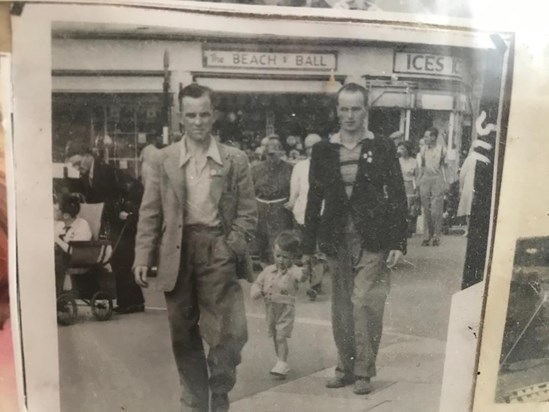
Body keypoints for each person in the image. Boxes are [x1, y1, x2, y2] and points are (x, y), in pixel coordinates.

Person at [133, 83, 257, 412]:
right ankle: (194, 402)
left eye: (204, 114)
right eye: (191, 115)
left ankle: (220, 387)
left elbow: (248, 212)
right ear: (180, 118)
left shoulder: (234, 159)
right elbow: (150, 211)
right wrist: (142, 257)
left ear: (214, 115)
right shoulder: (164, 159)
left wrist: (231, 246)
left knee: (228, 332)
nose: (199, 121)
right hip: (177, 251)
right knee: (182, 333)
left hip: (218, 247)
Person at [302, 83, 407, 395]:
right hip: (336, 239)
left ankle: (363, 371)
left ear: (366, 111)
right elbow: (313, 199)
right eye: (343, 109)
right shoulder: (322, 150)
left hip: (374, 239)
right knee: (341, 307)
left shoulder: (383, 147)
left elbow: (398, 196)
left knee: (364, 303)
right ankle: (344, 368)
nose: (349, 115)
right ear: (337, 111)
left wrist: (399, 243)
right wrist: (308, 247)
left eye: (355, 108)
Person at [66, 142, 145, 314]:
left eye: (78, 164)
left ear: (88, 157)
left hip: (122, 220)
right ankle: (132, 302)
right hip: (109, 222)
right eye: (74, 166)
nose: (77, 168)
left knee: (123, 258)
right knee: (118, 260)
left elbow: (135, 187)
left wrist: (127, 209)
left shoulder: (107, 171)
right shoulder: (87, 176)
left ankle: (131, 303)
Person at [250, 232, 307, 379]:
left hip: (285, 309)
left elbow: (301, 276)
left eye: (285, 257)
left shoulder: (293, 270)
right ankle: (280, 361)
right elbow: (258, 283)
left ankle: (282, 362)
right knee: (275, 335)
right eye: (278, 255)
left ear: (293, 257)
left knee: (281, 336)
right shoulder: (268, 270)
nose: (281, 260)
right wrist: (257, 291)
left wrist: (306, 271)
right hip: (270, 308)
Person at [285, 133, 326, 300]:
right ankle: (300, 279)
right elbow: (294, 191)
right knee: (303, 250)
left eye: (315, 147)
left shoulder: (329, 167)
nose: (312, 151)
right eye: (309, 147)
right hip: (302, 214)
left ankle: (314, 285)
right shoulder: (300, 167)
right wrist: (291, 203)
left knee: (319, 251)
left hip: (323, 213)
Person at [252, 135, 294, 264]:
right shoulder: (255, 169)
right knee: (261, 243)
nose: (272, 156)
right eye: (269, 154)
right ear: (265, 153)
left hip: (280, 210)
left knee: (280, 243)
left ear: (281, 152)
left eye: (275, 153)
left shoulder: (289, 168)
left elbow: (294, 190)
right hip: (261, 209)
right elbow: (250, 191)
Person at [53, 194, 93, 294]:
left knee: (55, 262)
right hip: (64, 257)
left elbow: (74, 250)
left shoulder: (82, 225)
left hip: (78, 258)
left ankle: (58, 294)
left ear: (66, 215)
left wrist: (56, 239)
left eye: (57, 210)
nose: (54, 212)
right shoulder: (60, 225)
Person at [417, 127, 448, 246]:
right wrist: (419, 180)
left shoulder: (442, 150)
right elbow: (422, 167)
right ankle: (426, 236)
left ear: (433, 137)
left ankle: (436, 236)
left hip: (437, 179)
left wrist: (446, 182)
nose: (425, 139)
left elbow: (445, 167)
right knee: (426, 209)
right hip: (426, 178)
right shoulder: (423, 150)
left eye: (427, 136)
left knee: (436, 209)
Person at [397, 141, 420, 236]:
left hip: (410, 185)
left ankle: (409, 229)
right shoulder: (397, 161)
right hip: (399, 185)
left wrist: (417, 189)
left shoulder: (414, 162)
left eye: (403, 149)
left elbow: (417, 176)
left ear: (407, 150)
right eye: (399, 148)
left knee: (409, 208)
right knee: (399, 207)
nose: (400, 151)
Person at [457, 147, 477, 237]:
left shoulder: (469, 159)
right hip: (472, 184)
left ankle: (468, 229)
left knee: (468, 207)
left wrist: (461, 186)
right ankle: (470, 229)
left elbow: (462, 174)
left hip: (469, 184)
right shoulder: (473, 159)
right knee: (470, 206)